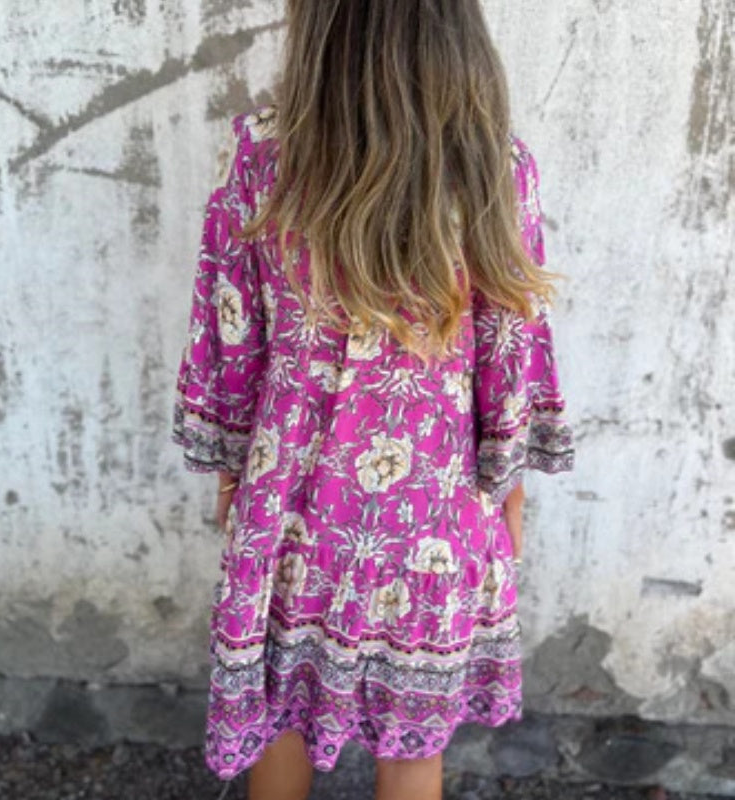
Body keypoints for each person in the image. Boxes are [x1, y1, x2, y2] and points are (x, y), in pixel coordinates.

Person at [171, 1, 575, 798]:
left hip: (293, 502)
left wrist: (231, 471)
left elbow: (231, 335)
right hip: (432, 515)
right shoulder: (494, 164)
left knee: (279, 711)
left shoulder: (262, 154)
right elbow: (511, 347)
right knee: (411, 739)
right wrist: (508, 488)